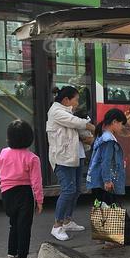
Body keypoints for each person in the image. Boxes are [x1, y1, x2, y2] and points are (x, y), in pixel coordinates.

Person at [46, 86, 95, 241]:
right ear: (66, 100)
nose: (77, 103)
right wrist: (91, 126)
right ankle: (57, 226)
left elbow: (77, 130)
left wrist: (89, 137)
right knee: (68, 191)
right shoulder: (56, 111)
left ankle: (67, 221)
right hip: (62, 159)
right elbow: (74, 122)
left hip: (75, 156)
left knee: (76, 190)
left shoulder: (68, 112)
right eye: (76, 99)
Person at [0, 120, 43, 258]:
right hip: (24, 194)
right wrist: (39, 200)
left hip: (7, 193)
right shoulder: (32, 158)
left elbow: (2, 173)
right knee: (24, 228)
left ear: (8, 138)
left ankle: (11, 257)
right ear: (29, 138)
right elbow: (36, 181)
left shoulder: (3, 153)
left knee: (13, 225)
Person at [86, 108, 128, 207]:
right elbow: (106, 161)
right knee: (114, 215)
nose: (122, 127)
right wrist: (107, 181)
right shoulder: (109, 140)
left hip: (98, 181)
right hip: (104, 183)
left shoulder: (102, 135)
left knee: (103, 213)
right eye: (122, 124)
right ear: (114, 122)